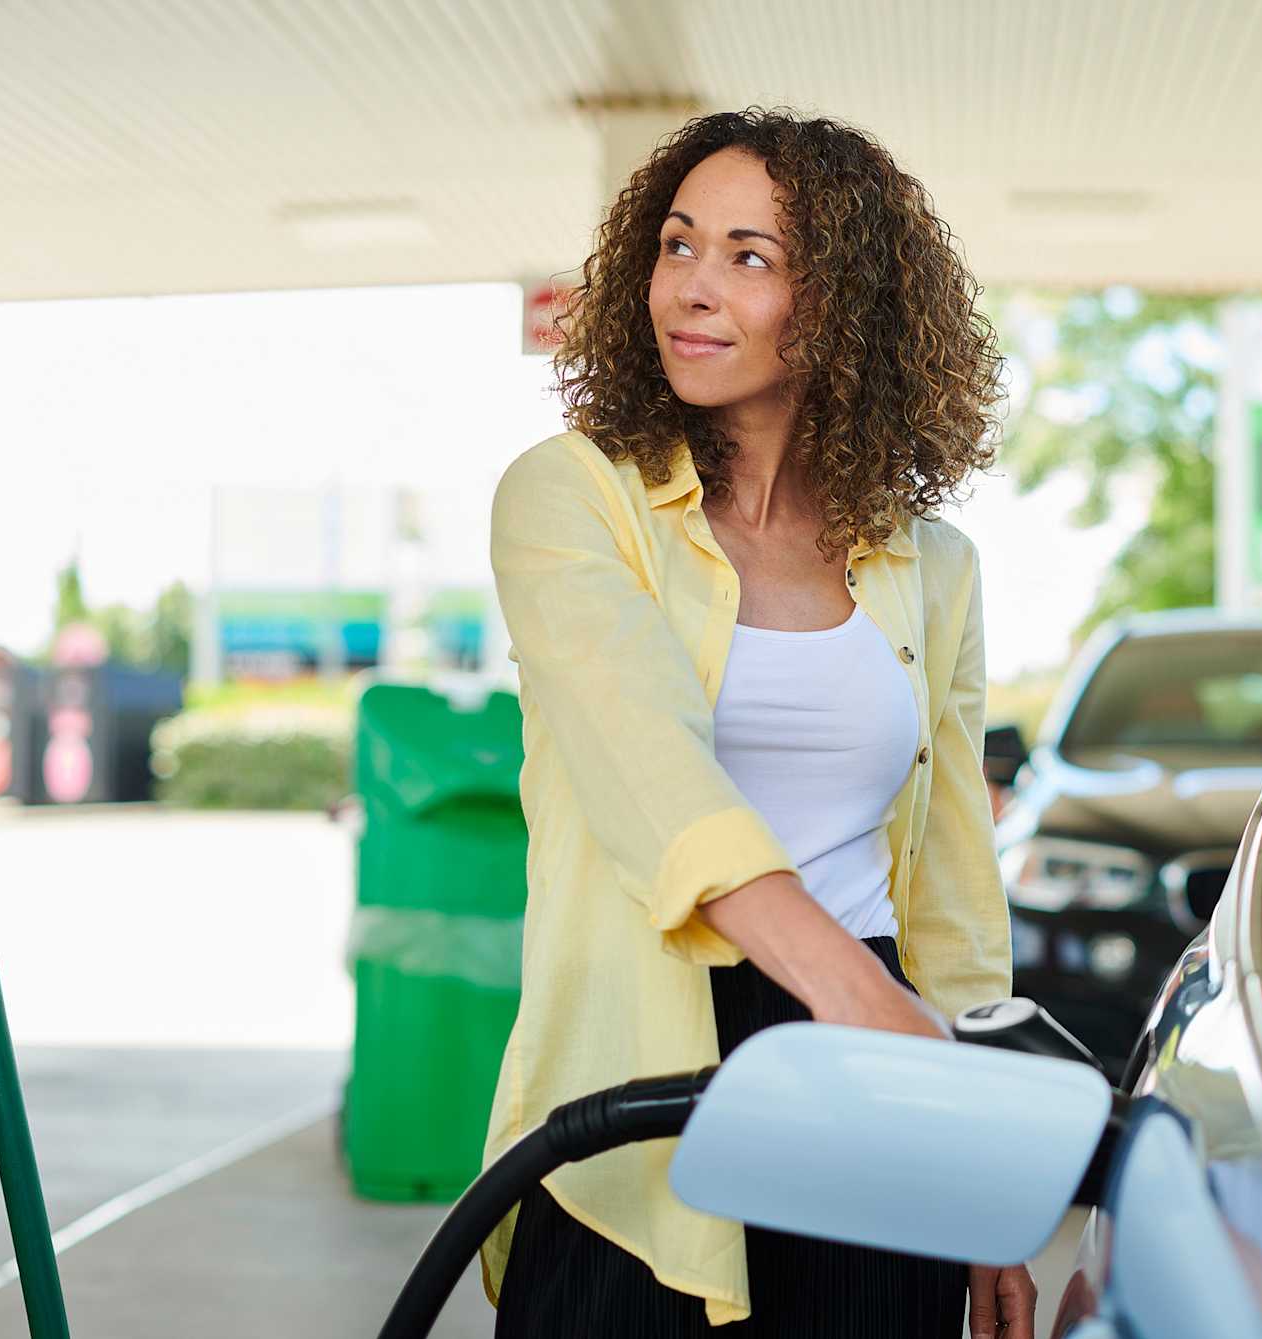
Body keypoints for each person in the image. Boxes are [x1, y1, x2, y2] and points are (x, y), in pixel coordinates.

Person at [480, 108, 1029, 1337]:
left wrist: (985, 1169)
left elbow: (950, 883)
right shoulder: (572, 499)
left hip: (867, 1078)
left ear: (840, 305)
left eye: (750, 257)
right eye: (678, 246)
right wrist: (848, 989)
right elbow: (646, 763)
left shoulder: (931, 565)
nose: (694, 288)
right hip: (642, 1067)